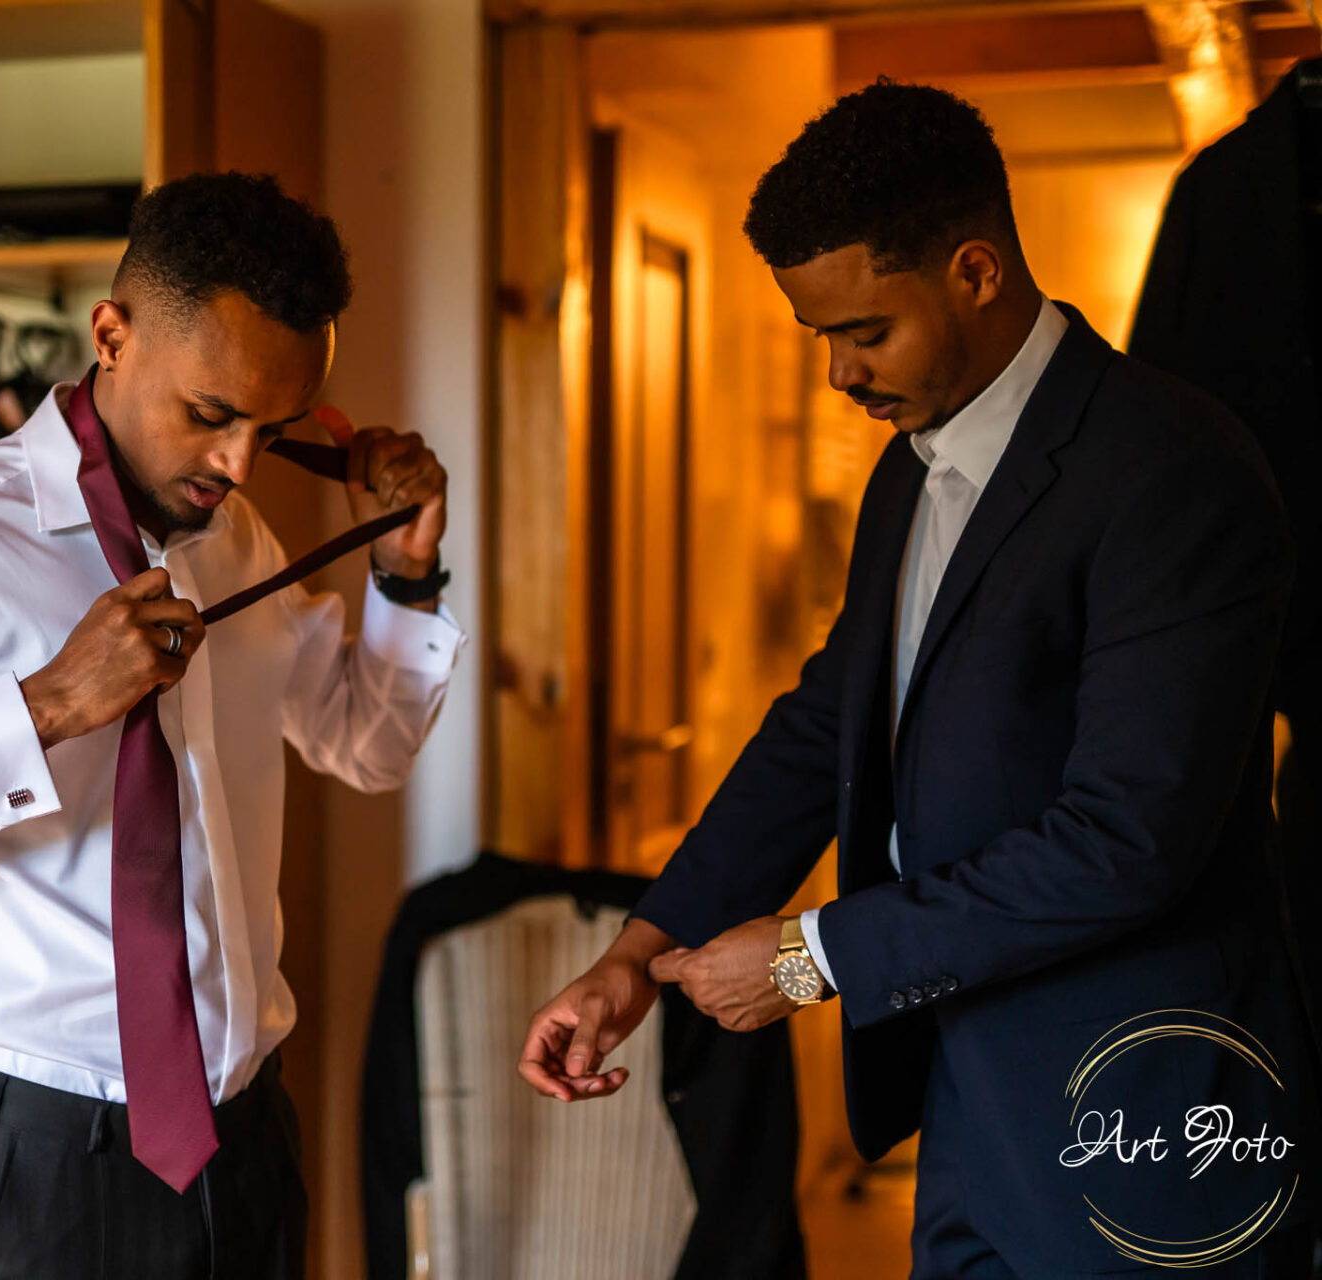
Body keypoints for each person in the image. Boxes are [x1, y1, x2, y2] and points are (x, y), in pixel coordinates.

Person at [518, 81, 1317, 1278]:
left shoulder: (1172, 468)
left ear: (976, 272)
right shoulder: (907, 472)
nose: (839, 374)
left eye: (864, 332)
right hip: (965, 1111)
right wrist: (640, 947)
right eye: (820, 337)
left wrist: (810, 955)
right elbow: (830, 720)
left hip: (1148, 1121)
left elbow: (1127, 840)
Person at [0, 171, 464, 1279]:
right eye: (212, 414)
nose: (239, 465)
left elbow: (369, 745)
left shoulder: (235, 538)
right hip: (33, 1178)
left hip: (246, 1157)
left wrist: (406, 575)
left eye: (271, 428)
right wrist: (45, 706)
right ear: (111, 336)